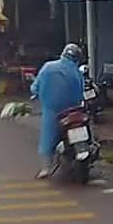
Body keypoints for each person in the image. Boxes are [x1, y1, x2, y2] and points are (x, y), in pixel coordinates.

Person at [31, 43, 86, 178]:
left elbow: (35, 87)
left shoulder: (48, 67)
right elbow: (81, 90)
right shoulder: (77, 72)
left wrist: (35, 92)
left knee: (48, 138)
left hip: (53, 111)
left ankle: (46, 168)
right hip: (74, 110)